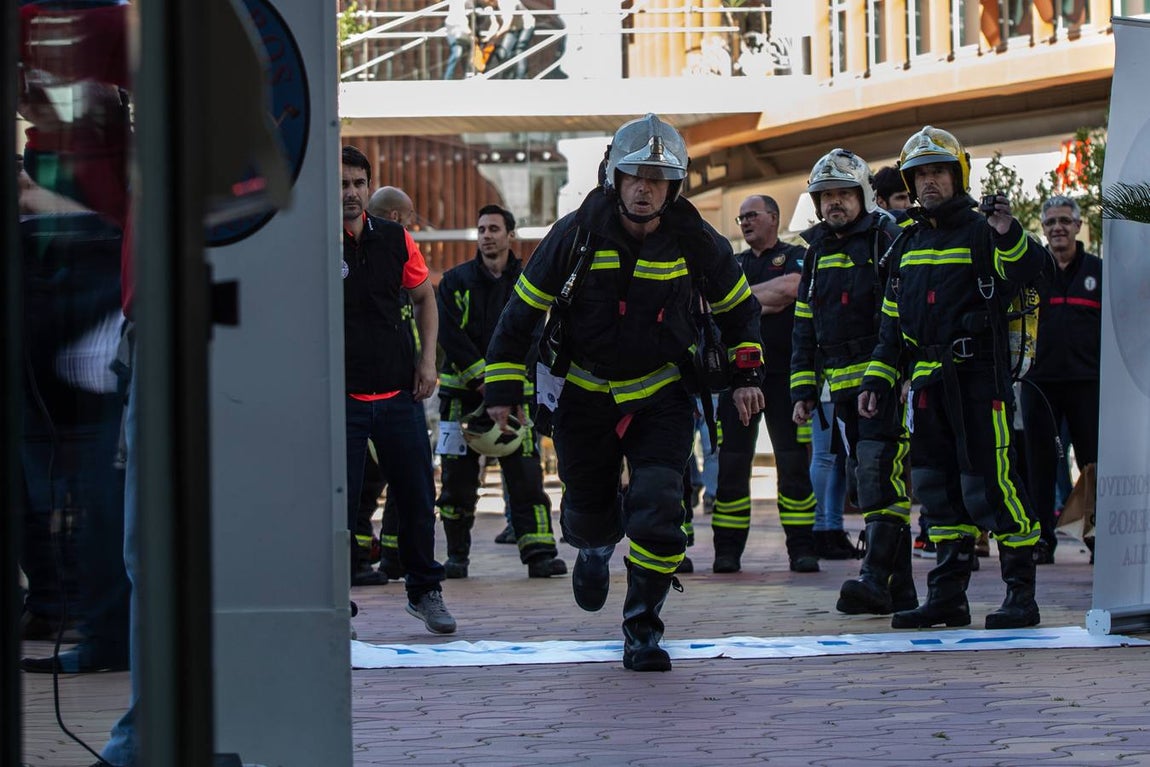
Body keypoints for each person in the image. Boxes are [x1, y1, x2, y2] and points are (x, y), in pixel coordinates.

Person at [483, 114, 764, 671]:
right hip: (583, 397)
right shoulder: (576, 233)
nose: (644, 188)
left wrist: (747, 375)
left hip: (662, 394)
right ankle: (592, 545)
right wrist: (502, 389)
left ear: (675, 186)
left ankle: (642, 630)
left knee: (661, 507)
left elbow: (740, 308)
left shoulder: (695, 239)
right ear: (613, 176)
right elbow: (520, 315)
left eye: (657, 179)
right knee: (589, 515)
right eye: (634, 175)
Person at [858, 125, 1047, 630]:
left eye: (938, 171)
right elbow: (891, 325)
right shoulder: (907, 243)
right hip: (927, 386)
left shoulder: (987, 230)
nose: (928, 183)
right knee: (935, 489)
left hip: (980, 380)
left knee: (995, 486)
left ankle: (1020, 595)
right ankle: (947, 596)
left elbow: (1036, 272)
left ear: (958, 174)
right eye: (919, 175)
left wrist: (1010, 233)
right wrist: (877, 380)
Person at [791, 148, 917, 616]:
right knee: (872, 481)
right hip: (842, 393)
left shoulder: (887, 237)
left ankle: (873, 576)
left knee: (878, 476)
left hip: (883, 384)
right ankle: (896, 590)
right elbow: (805, 322)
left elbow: (898, 314)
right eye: (826, 197)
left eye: (844, 194)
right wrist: (803, 389)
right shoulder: (817, 249)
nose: (834, 204)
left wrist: (890, 378)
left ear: (863, 195)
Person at [340, 146, 455, 634]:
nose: (349, 193)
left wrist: (427, 361)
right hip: (337, 399)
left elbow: (425, 296)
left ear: (369, 187)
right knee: (336, 507)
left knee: (416, 497)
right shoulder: (308, 240)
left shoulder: (395, 239)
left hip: (398, 393)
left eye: (357, 184)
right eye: (341, 184)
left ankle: (425, 591)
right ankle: (332, 600)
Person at [434, 204, 567, 579]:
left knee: (527, 480)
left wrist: (502, 388)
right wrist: (485, 381)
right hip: (460, 400)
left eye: (494, 228)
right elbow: (450, 336)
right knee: (456, 485)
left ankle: (539, 553)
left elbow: (534, 337)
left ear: (511, 236)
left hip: (515, 403)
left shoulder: (528, 282)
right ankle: (456, 556)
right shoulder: (455, 282)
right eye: (481, 229)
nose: (486, 235)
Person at [712, 194, 818, 574]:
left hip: (785, 378)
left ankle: (802, 549)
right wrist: (761, 299)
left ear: (773, 217)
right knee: (732, 465)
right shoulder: (732, 263)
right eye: (740, 218)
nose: (744, 222)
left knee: (792, 465)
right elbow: (715, 304)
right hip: (737, 380)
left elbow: (793, 289)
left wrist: (740, 301)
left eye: (751, 215)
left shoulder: (795, 255)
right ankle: (726, 551)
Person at [1020, 194, 1101, 565]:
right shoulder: (1032, 272)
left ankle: (1098, 538)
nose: (1057, 228)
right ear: (1043, 228)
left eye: (1065, 221)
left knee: (1093, 465)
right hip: (1040, 385)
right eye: (1051, 222)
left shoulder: (1098, 273)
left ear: (1078, 226)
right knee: (1040, 464)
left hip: (1088, 383)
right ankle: (1041, 540)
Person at [478, 0, 536, 79]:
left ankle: (520, 77)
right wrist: (488, 38)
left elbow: (507, 25)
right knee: (503, 52)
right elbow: (495, 25)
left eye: (488, 3)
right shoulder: (491, 7)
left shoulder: (506, 2)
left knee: (519, 49)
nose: (487, 5)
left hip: (526, 24)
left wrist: (495, 37)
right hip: (514, 27)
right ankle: (505, 75)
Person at [442, 0, 474, 80]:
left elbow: (470, 6)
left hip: (460, 29)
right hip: (455, 29)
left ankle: (466, 75)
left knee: (465, 53)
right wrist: (469, 32)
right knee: (458, 51)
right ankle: (448, 77)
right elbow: (458, 17)